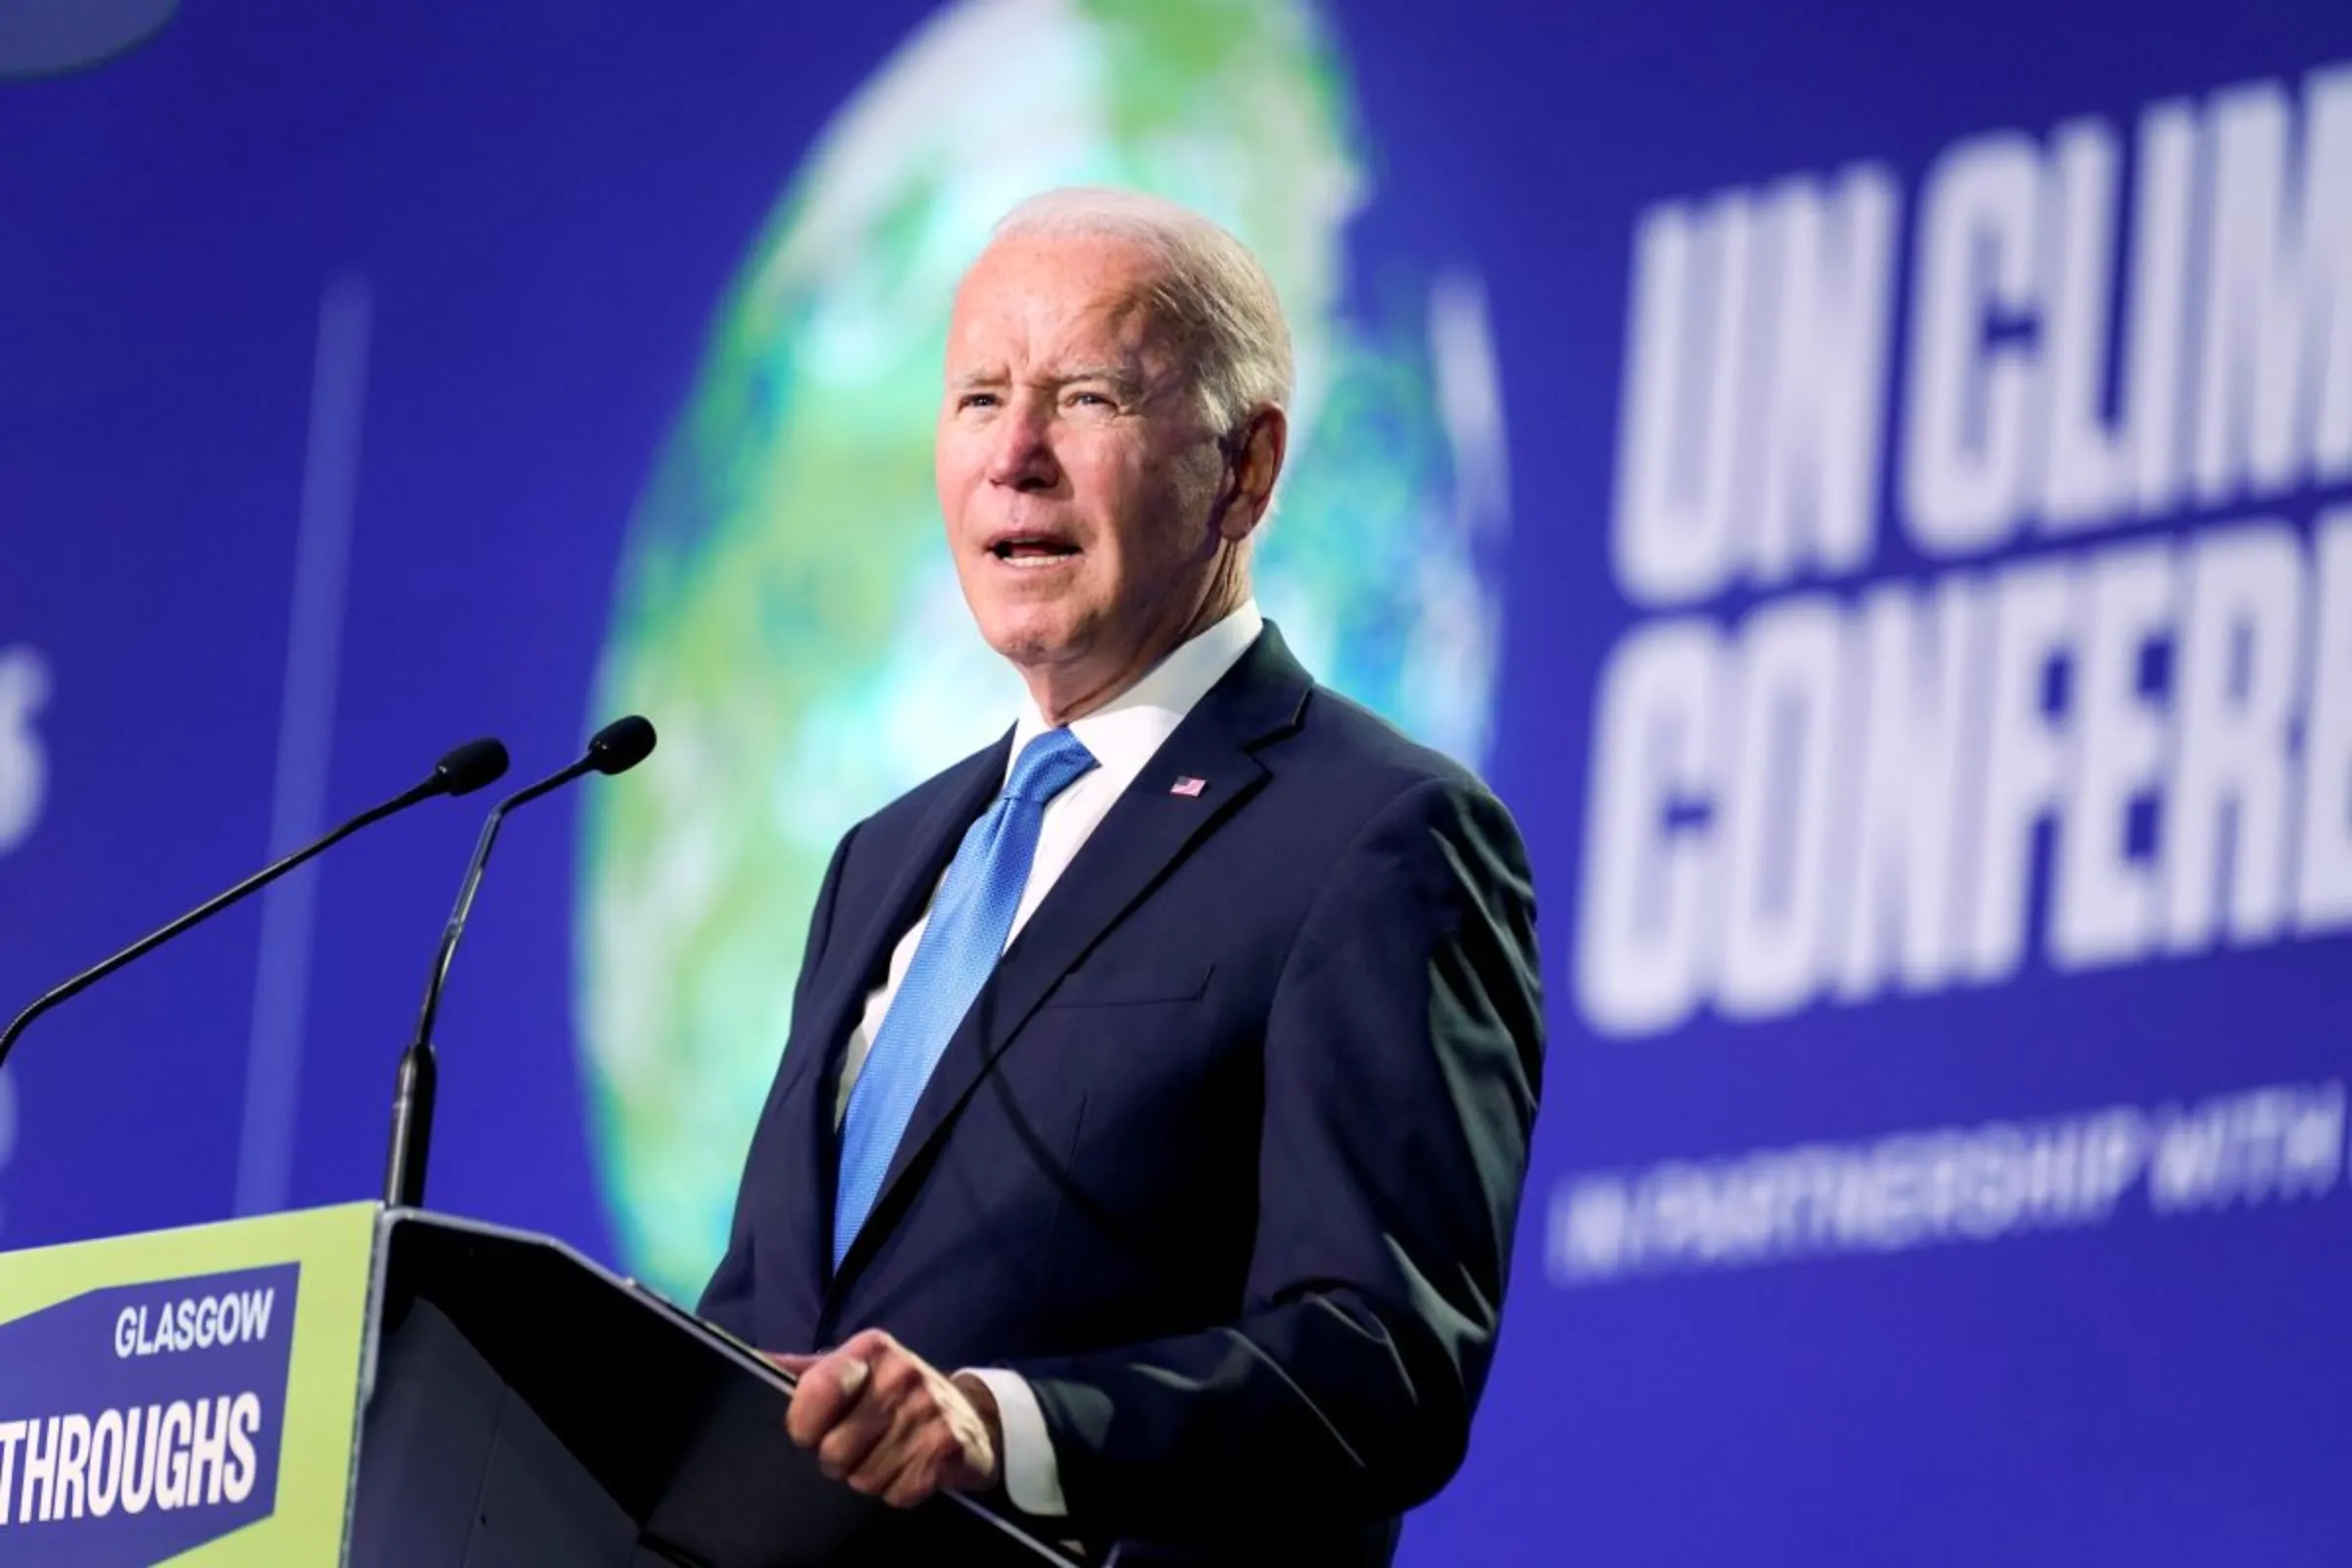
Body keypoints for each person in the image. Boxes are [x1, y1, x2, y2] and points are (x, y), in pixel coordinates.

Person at [697, 186, 1544, 1566]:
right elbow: (764, 1320)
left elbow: (1381, 1360)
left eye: (1086, 396)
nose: (1014, 457)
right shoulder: (882, 863)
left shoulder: (1378, 837)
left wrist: (1002, 1427)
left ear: (1247, 470)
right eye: (978, 397)